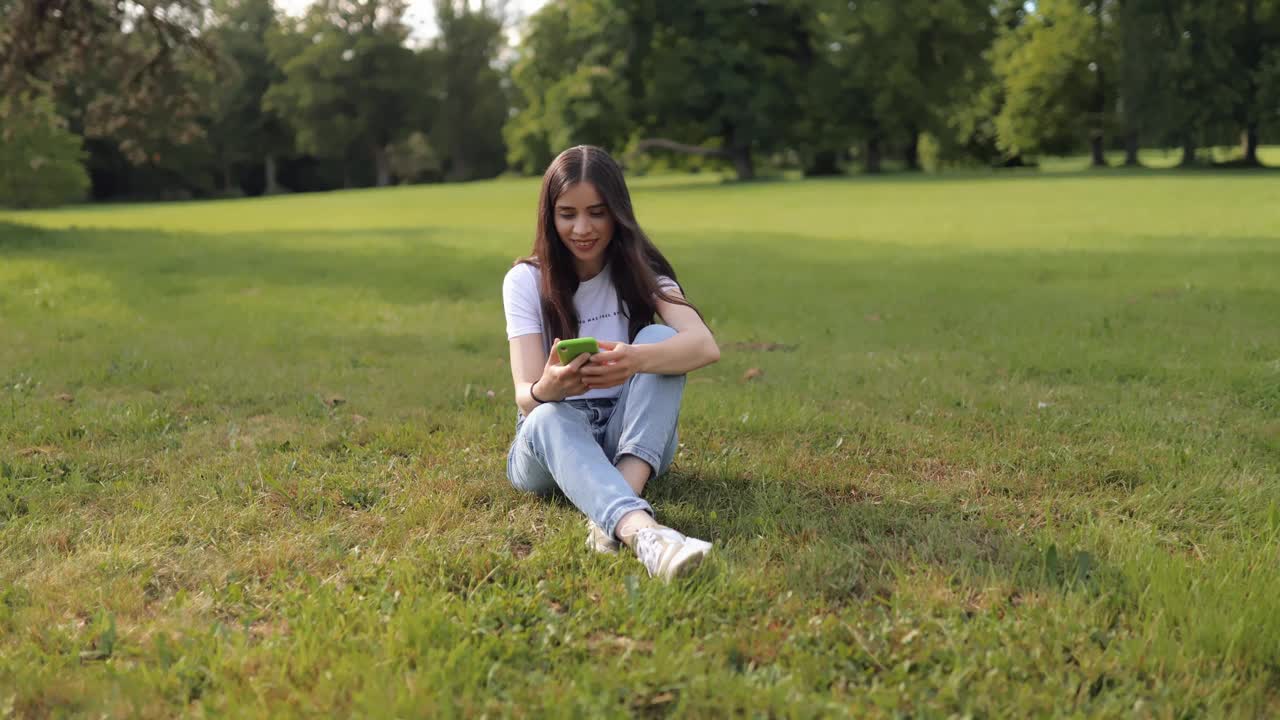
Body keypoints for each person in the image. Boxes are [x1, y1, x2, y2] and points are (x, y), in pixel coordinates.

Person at [501, 145, 721, 581]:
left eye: (597, 213)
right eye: (568, 214)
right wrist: (550, 387)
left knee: (662, 340)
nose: (582, 228)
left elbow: (704, 346)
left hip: (629, 437)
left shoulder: (641, 270)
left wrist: (634, 359)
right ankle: (645, 534)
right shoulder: (526, 280)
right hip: (550, 444)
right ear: (550, 216)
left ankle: (614, 515)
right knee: (545, 416)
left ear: (617, 213)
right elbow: (525, 397)